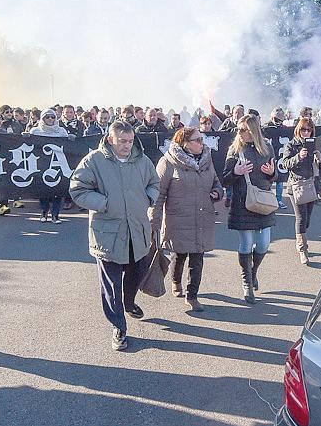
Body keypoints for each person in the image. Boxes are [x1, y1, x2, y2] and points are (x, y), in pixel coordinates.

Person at [70, 121, 159, 351]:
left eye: (130, 141)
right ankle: (118, 326)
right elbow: (78, 189)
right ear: (111, 139)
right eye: (122, 141)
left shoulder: (142, 160)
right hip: (107, 234)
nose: (127, 146)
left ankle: (129, 303)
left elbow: (154, 183)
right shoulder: (94, 161)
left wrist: (148, 198)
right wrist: (104, 203)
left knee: (136, 274)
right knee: (111, 285)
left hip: (136, 231)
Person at [150, 127, 223, 311]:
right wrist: (154, 221)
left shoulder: (207, 159)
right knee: (180, 255)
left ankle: (192, 295)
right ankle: (176, 282)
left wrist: (217, 193)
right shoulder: (168, 162)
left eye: (202, 139)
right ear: (185, 144)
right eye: (197, 140)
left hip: (202, 217)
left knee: (198, 257)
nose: (202, 143)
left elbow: (216, 182)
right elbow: (158, 195)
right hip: (178, 219)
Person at [222, 115, 277, 304]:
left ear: (254, 130)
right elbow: (225, 179)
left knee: (263, 244)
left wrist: (272, 174)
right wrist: (236, 173)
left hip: (263, 202)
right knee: (246, 244)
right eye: (238, 129)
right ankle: (247, 282)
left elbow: (274, 175)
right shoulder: (235, 149)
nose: (240, 133)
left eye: (244, 129)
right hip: (242, 202)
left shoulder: (267, 147)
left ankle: (253, 273)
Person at [282, 118, 321, 264]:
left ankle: (300, 237)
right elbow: (285, 164)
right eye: (303, 129)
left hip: (311, 184)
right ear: (298, 130)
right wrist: (298, 156)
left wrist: (320, 159)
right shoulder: (292, 145)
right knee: (300, 217)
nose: (306, 132)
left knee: (307, 220)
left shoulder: (315, 144)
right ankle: (302, 249)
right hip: (296, 185)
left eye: (309, 129)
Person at [29, 109, 71, 223]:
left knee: (59, 189)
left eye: (52, 117)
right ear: (42, 119)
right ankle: (44, 211)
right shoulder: (35, 131)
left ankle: (55, 214)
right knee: (43, 189)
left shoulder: (61, 131)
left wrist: (71, 139)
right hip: (42, 164)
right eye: (47, 117)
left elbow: (68, 146)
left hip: (58, 164)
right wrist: (25, 137)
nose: (50, 119)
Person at [263, 107, 287, 209]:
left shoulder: (284, 128)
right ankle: (266, 200)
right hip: (267, 157)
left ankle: (279, 199)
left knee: (279, 179)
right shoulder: (265, 127)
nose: (279, 122)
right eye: (277, 119)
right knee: (266, 180)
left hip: (280, 157)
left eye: (281, 120)